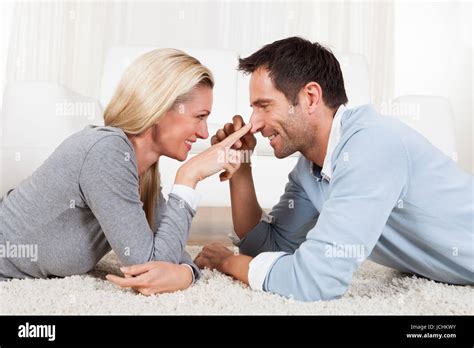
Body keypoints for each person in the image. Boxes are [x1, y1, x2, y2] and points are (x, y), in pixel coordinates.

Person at [193, 37, 474, 301]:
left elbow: (315, 281)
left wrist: (230, 263)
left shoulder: (371, 145)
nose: (253, 123)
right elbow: (269, 248)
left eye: (265, 106)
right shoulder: (311, 168)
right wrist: (241, 168)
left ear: (311, 97)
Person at [0, 48, 249, 296]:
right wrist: (188, 177)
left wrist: (186, 273)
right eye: (199, 117)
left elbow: (166, 257)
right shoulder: (106, 152)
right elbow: (146, 267)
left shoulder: (141, 168)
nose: (205, 133)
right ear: (159, 108)